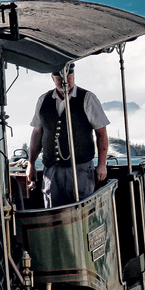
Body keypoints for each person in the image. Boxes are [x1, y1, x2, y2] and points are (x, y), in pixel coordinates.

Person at [27, 64, 110, 208]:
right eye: (60, 77)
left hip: (81, 170)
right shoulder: (43, 100)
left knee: (82, 210)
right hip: (52, 171)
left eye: (69, 76)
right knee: (53, 213)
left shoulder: (88, 98)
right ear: (53, 78)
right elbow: (37, 133)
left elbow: (101, 133)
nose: (65, 81)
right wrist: (31, 164)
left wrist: (102, 165)